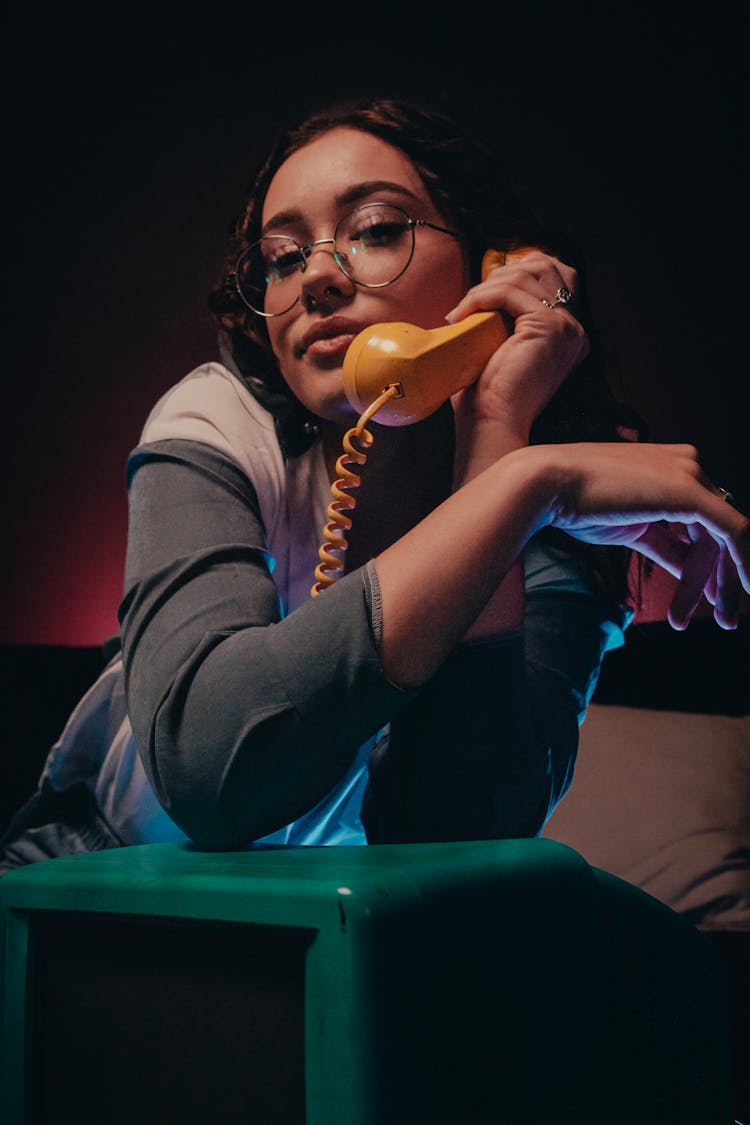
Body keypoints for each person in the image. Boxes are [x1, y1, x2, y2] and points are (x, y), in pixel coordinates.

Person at [1, 96, 748, 871]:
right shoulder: (214, 423)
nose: (316, 276)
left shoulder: (558, 534)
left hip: (347, 937)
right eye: (283, 256)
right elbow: (208, 768)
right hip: (84, 887)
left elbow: (456, 831)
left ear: (492, 271)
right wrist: (529, 484)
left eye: (377, 229)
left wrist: (499, 443)